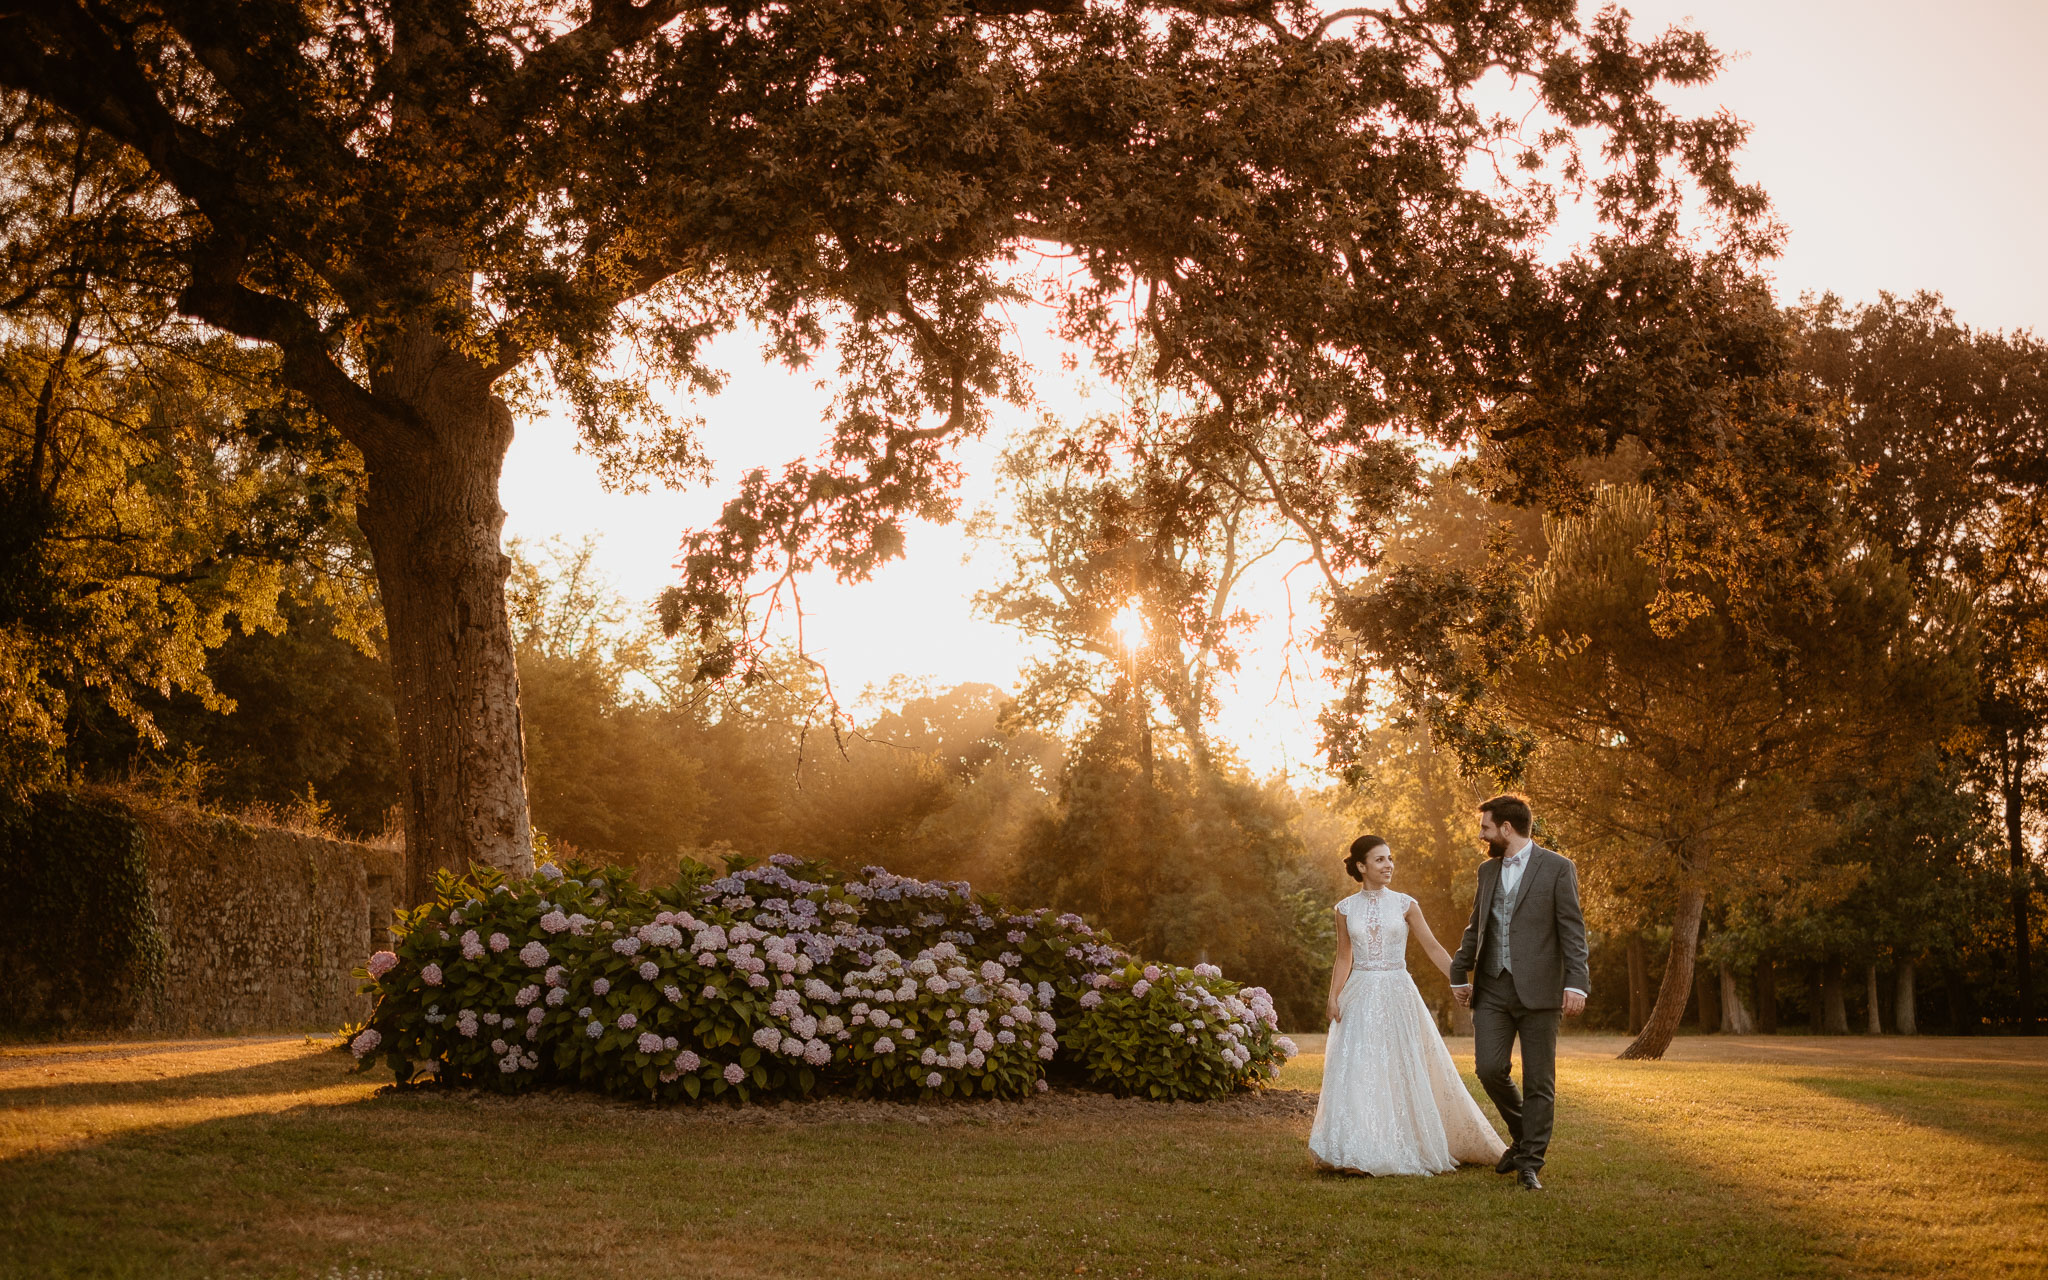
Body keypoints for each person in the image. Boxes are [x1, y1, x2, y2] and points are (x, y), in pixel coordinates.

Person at [1308, 835, 1508, 1176]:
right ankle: (1356, 1149)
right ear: (1361, 866)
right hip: (1358, 993)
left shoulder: (1405, 904)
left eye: (1390, 858)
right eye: (1380, 860)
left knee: (1400, 1066)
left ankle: (1397, 1144)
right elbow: (1344, 957)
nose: (1388, 865)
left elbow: (1432, 947)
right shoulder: (1344, 909)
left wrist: (1458, 979)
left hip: (1397, 992)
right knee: (1359, 1068)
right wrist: (1333, 997)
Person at [1449, 793, 1591, 1191]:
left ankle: (1530, 1162)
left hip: (1541, 991)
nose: (1482, 835)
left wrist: (1576, 982)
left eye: (1486, 828)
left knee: (1539, 1081)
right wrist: (1459, 972)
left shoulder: (1558, 869)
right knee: (1489, 1069)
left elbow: (1573, 931)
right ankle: (1524, 1134)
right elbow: (1476, 926)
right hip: (1493, 986)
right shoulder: (1487, 871)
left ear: (1506, 829)